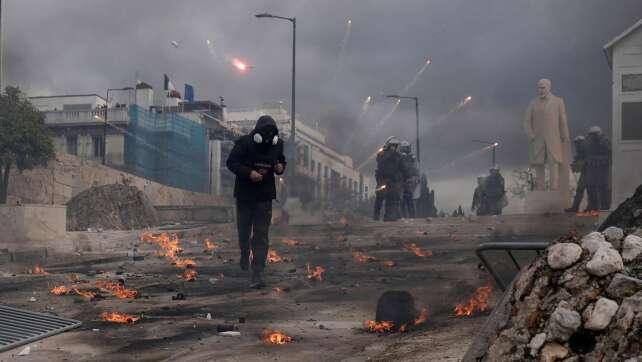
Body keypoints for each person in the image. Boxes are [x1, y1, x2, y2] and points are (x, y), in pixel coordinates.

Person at [226, 115, 286, 289]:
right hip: (245, 196)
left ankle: (258, 272)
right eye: (264, 134)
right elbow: (231, 162)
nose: (267, 138)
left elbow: (281, 161)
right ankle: (245, 252)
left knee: (261, 236)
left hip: (264, 198)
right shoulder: (244, 143)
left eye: (271, 134)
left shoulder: (278, 144)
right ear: (257, 134)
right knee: (244, 233)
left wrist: (280, 167)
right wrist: (248, 173)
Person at [523, 79, 572, 194]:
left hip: (553, 140)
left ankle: (554, 191)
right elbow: (526, 121)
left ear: (549, 87)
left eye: (543, 87)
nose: (540, 90)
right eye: (539, 87)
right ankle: (541, 192)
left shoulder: (558, 101)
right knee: (539, 167)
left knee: (553, 166)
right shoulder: (532, 103)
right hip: (537, 140)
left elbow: (562, 120)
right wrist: (531, 134)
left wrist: (566, 136)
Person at [374, 137, 406, 221]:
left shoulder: (398, 156)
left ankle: (389, 217)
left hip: (393, 181)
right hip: (382, 180)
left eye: (395, 145)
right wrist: (390, 153)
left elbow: (403, 168)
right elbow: (380, 162)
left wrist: (404, 177)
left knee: (392, 199)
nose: (394, 147)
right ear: (388, 145)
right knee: (379, 198)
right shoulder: (382, 153)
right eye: (392, 145)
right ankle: (375, 217)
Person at [584, 126, 611, 211]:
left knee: (603, 187)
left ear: (599, 133)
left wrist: (599, 160)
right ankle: (593, 207)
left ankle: (604, 207)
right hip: (592, 167)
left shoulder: (605, 141)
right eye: (591, 135)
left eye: (594, 134)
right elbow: (587, 154)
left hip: (602, 168)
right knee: (591, 187)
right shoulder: (589, 142)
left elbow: (609, 155)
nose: (592, 137)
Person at [565, 136, 587, 213]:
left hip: (591, 172)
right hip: (586, 172)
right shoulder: (580, 151)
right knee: (580, 190)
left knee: (591, 191)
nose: (577, 146)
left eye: (578, 144)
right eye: (576, 144)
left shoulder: (588, 150)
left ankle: (592, 208)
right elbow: (577, 160)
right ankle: (575, 208)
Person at [399, 141, 420, 218]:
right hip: (403, 180)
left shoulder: (411, 157)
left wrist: (416, 177)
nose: (405, 149)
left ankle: (410, 217)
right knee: (405, 201)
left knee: (407, 200)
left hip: (408, 180)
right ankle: (406, 217)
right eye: (404, 148)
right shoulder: (400, 157)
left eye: (405, 148)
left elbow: (416, 168)